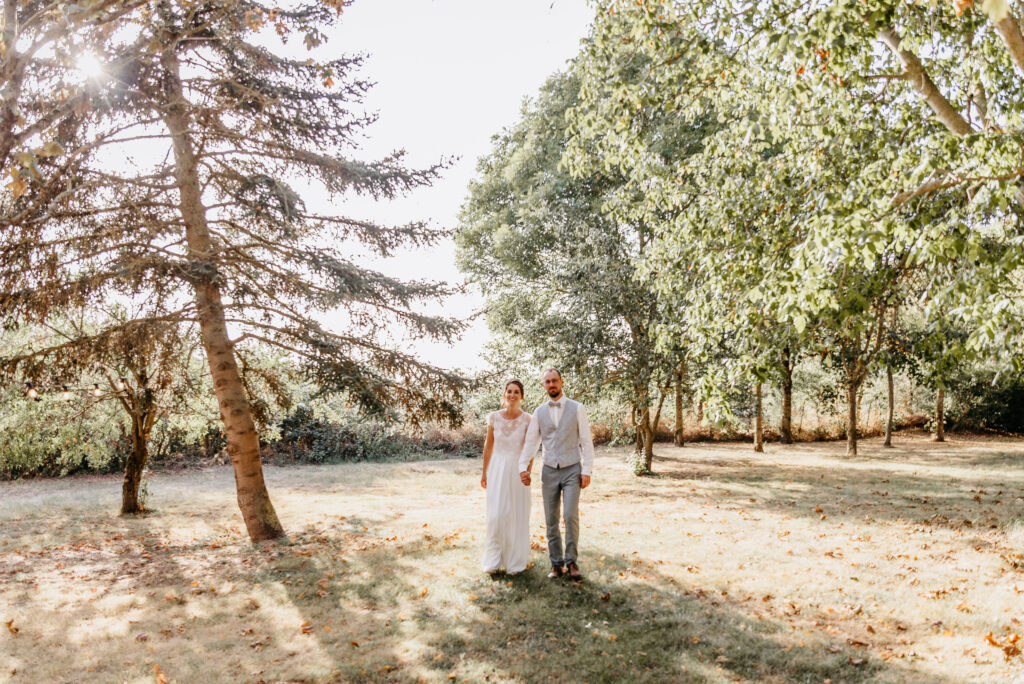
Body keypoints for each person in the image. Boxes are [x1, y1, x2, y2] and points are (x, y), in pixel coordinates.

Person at [518, 368, 594, 580]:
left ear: (561, 382)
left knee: (570, 516)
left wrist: (586, 470)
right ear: (544, 385)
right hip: (549, 470)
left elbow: (586, 441)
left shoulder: (577, 408)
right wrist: (522, 467)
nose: (551, 384)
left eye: (554, 381)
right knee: (551, 519)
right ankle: (556, 564)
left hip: (572, 469)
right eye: (547, 381)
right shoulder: (539, 412)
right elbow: (531, 442)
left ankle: (571, 562)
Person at [481, 379, 532, 575]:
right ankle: (493, 561)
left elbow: (529, 450)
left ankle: (515, 561)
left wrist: (527, 471)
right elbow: (488, 446)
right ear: (504, 394)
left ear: (521, 396)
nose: (512, 395)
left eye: (516, 392)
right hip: (497, 468)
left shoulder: (528, 419)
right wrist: (484, 472)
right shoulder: (494, 417)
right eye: (509, 391)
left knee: (515, 514)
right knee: (496, 514)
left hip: (518, 469)